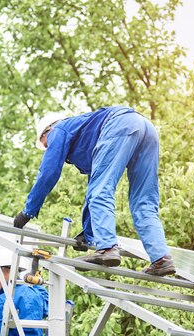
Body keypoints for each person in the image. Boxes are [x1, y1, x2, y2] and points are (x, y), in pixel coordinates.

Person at [13, 106, 175, 276]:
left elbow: (48, 173)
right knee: (144, 202)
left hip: (121, 124)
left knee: (101, 192)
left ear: (48, 131)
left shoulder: (58, 130)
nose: (49, 148)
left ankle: (107, 248)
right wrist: (87, 233)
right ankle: (161, 259)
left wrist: (28, 212)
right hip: (146, 128)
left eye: (47, 145)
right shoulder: (86, 134)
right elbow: (94, 186)